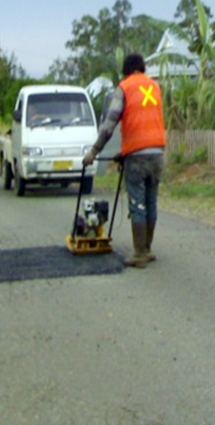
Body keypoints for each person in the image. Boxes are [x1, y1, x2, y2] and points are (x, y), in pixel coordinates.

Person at [83, 53, 166, 268]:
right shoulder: (154, 87)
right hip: (157, 153)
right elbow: (145, 121)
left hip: (137, 157)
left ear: (126, 70)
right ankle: (147, 248)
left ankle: (139, 254)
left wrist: (94, 151)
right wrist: (125, 151)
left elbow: (110, 123)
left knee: (137, 203)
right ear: (142, 68)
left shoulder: (125, 87)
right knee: (151, 201)